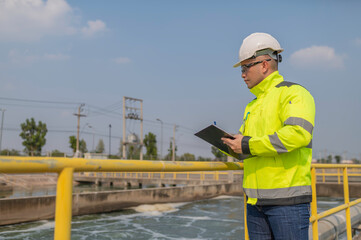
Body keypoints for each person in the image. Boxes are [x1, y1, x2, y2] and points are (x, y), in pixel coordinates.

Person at [222, 32, 315, 240]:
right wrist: (235, 145)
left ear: (264, 65)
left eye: (246, 67)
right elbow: (251, 146)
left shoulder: (294, 93)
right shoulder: (252, 105)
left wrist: (247, 145)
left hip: (287, 203)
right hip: (255, 203)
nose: (242, 74)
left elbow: (297, 134)